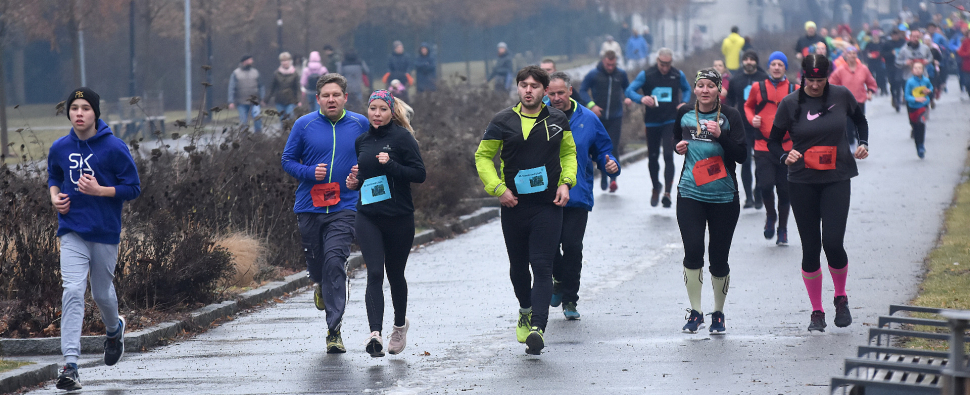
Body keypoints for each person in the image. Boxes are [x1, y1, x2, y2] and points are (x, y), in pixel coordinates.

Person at [474, 66, 577, 355]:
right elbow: (483, 156)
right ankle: (525, 309)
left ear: (545, 91)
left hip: (547, 205)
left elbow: (568, 153)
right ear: (518, 88)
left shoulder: (557, 119)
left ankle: (538, 329)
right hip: (514, 204)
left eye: (534, 85)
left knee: (542, 266)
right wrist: (498, 189)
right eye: (523, 85)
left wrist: (566, 183)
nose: (528, 90)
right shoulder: (502, 120)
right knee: (519, 267)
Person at [767, 54, 869, 332]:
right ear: (803, 77)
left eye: (820, 80)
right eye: (810, 80)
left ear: (827, 77)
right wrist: (784, 156)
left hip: (837, 177)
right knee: (810, 247)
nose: (814, 85)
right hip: (802, 180)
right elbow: (773, 142)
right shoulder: (790, 103)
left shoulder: (842, 95)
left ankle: (840, 297)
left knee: (833, 242)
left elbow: (861, 121)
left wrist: (863, 143)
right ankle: (817, 311)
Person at [49, 88, 141, 390]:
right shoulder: (60, 147)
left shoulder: (114, 148)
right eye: (74, 108)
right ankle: (70, 366)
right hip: (72, 230)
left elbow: (133, 187)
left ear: (95, 113)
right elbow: (54, 175)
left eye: (85, 108)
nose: (79, 113)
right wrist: (54, 197)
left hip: (104, 232)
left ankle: (114, 330)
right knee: (73, 291)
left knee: (101, 294)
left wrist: (101, 190)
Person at [281, 74, 369, 353]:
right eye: (326, 95)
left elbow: (371, 155)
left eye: (336, 95)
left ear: (345, 97)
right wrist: (308, 172)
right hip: (309, 206)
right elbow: (287, 160)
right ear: (317, 99)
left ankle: (334, 330)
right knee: (318, 266)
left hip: (345, 206)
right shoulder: (303, 125)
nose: (331, 99)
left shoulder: (360, 124)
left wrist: (362, 173)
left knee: (334, 262)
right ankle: (318, 282)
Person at [345, 91, 425, 357]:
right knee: (375, 273)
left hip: (399, 217)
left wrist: (391, 164)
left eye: (382, 109)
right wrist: (354, 182)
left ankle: (399, 326)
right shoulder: (361, 141)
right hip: (368, 215)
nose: (377, 114)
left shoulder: (403, 139)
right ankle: (375, 334)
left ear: (392, 112)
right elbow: (364, 177)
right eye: (372, 109)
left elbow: (419, 174)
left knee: (394, 274)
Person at [672, 69, 747, 334]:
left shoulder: (731, 116)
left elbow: (741, 156)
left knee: (718, 257)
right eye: (700, 86)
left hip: (724, 196)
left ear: (719, 90)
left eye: (710, 86)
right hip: (690, 193)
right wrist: (678, 147)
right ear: (695, 89)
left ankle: (718, 313)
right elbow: (676, 139)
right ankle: (695, 311)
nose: (705, 90)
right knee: (692, 251)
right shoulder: (684, 112)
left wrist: (721, 136)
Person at [545, 71, 620, 320]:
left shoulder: (587, 118)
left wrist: (610, 164)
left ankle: (570, 300)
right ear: (546, 93)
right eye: (551, 93)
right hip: (545, 193)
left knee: (573, 246)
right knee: (549, 245)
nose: (556, 98)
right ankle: (558, 279)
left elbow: (604, 149)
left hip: (577, 193)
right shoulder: (537, 116)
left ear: (570, 90)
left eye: (560, 93)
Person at [626, 48, 692, 208]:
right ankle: (656, 186)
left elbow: (687, 89)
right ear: (657, 61)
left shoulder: (677, 74)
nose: (665, 67)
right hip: (652, 122)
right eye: (662, 64)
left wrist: (684, 102)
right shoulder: (647, 74)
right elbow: (629, 90)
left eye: (668, 64)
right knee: (653, 157)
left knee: (669, 155)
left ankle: (668, 193)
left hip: (670, 120)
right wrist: (642, 98)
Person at [745, 52, 798, 246]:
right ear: (768, 67)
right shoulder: (757, 87)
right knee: (765, 185)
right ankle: (770, 215)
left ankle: (782, 229)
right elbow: (748, 106)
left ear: (785, 68)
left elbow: (805, 112)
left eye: (780, 64)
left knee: (785, 191)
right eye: (773, 64)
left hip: (787, 148)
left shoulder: (795, 89)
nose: (776, 67)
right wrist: (752, 119)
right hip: (763, 146)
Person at [578, 50, 631, 192]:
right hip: (598, 117)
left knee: (613, 146)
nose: (610, 67)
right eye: (608, 64)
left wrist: (628, 97)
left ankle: (613, 179)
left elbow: (628, 88)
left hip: (615, 116)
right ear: (603, 61)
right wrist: (591, 105)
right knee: (600, 148)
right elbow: (582, 90)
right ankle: (603, 175)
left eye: (613, 64)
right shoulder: (593, 74)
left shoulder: (621, 74)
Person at [725, 50, 769, 209]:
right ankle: (748, 197)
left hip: (761, 126)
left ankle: (758, 193)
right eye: (746, 59)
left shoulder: (764, 79)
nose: (749, 62)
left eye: (752, 59)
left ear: (756, 62)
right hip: (742, 126)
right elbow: (729, 99)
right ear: (742, 62)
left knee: (760, 161)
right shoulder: (736, 79)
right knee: (745, 161)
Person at [829, 45, 877, 149]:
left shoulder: (863, 69)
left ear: (857, 55)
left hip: (859, 101)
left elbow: (871, 82)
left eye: (854, 53)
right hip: (845, 103)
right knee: (848, 125)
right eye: (849, 53)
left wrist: (870, 92)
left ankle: (857, 139)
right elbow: (831, 83)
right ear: (845, 55)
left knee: (858, 123)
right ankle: (851, 144)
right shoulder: (840, 70)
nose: (852, 55)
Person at [228, 55, 264, 133]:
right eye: (250, 59)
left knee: (257, 117)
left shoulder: (255, 72)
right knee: (243, 122)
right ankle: (244, 140)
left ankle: (259, 136)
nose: (252, 61)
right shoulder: (236, 73)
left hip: (255, 102)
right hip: (241, 102)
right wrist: (231, 101)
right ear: (245, 61)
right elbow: (231, 88)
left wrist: (262, 98)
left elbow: (261, 86)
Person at [905, 62, 933, 158]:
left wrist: (929, 91)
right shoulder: (910, 82)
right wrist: (915, 99)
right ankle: (918, 146)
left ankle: (921, 145)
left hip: (923, 106)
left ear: (923, 70)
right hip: (912, 107)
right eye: (915, 68)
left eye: (920, 68)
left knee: (922, 124)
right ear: (912, 70)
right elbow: (907, 96)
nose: (918, 70)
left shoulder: (926, 80)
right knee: (915, 127)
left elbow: (930, 87)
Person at [266, 52, 301, 121]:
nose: (284, 63)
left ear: (290, 61)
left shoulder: (295, 74)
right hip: (279, 100)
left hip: (291, 100)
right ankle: (283, 131)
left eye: (286, 61)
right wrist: (266, 99)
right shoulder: (276, 73)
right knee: (282, 119)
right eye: (282, 61)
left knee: (289, 116)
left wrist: (298, 100)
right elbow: (272, 87)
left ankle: (290, 131)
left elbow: (298, 88)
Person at [884, 29, 908, 111]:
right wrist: (891, 53)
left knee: (899, 83)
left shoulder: (903, 43)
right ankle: (893, 97)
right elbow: (882, 54)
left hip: (900, 66)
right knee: (892, 83)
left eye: (896, 35)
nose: (895, 37)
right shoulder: (887, 44)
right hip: (890, 66)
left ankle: (898, 100)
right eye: (893, 35)